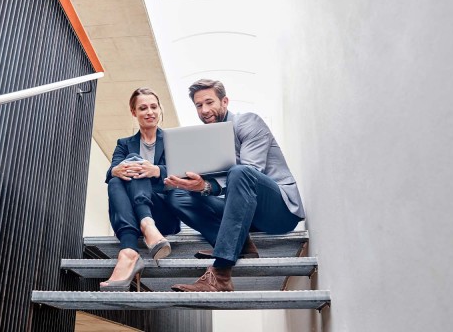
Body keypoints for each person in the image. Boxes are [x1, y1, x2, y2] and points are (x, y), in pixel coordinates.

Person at [165, 79, 305, 292]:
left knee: (240, 172)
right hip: (243, 215)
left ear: (225, 101)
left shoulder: (248, 122)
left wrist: (207, 186)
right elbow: (210, 185)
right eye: (198, 105)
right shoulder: (204, 140)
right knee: (178, 195)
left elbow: (250, 171)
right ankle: (240, 245)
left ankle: (220, 274)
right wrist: (192, 184)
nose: (204, 110)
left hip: (279, 211)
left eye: (209, 102)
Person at [100, 87, 181, 292]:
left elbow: (182, 174)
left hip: (163, 214)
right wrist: (116, 170)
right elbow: (111, 173)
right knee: (117, 178)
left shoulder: (174, 139)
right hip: (137, 220)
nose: (149, 112)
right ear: (133, 112)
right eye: (143, 108)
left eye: (154, 107)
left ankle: (141, 234)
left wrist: (156, 170)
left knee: (132, 165)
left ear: (160, 109)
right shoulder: (124, 143)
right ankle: (130, 250)